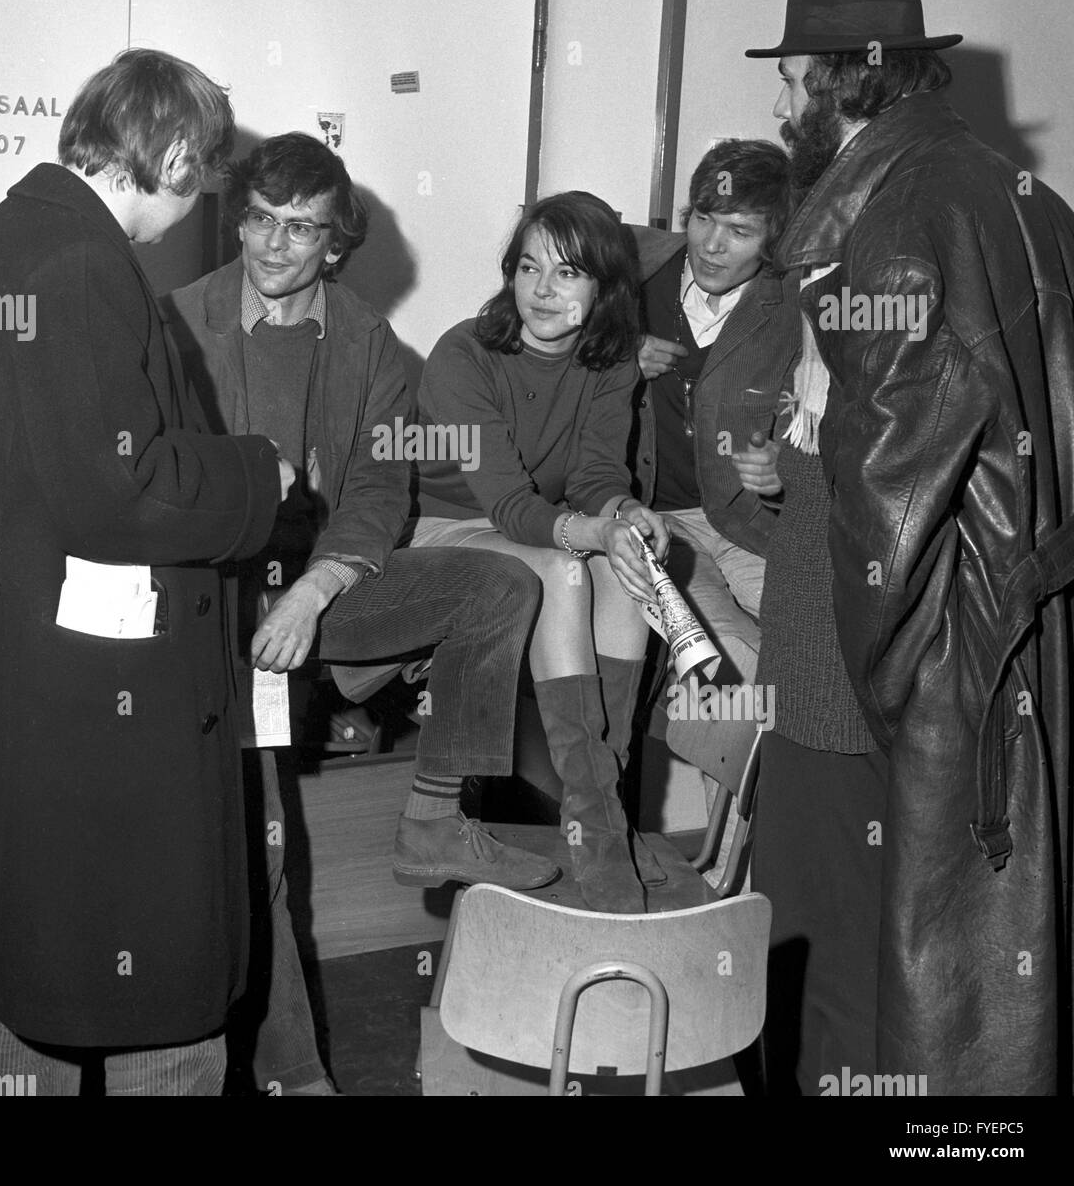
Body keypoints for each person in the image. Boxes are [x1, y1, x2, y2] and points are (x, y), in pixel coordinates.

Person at [0, 49, 292, 1094]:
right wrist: (259, 473)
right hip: (106, 690)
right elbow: (118, 487)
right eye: (206, 177)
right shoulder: (86, 264)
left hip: (21, 664)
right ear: (176, 154)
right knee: (163, 992)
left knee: (29, 968)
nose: (201, 205)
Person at [162, 132, 557, 1094]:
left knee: (502, 585)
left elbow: (382, 490)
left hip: (321, 591)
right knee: (261, 850)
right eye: (259, 219)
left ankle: (432, 818)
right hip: (209, 607)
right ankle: (294, 1073)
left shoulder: (369, 341)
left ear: (337, 244)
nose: (272, 245)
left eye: (300, 229)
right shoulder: (178, 320)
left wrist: (316, 586)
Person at [745, 0, 1074, 1095]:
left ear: (845, 82)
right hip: (999, 658)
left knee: (838, 961)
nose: (781, 104)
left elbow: (886, 505)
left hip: (885, 671)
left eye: (792, 78)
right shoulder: (1014, 192)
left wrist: (898, 700)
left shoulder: (893, 221)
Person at [408, 191, 673, 913]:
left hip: (534, 524)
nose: (543, 291)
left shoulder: (610, 361)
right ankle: (603, 832)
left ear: (604, 289)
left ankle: (598, 818)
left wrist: (623, 514)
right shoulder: (463, 354)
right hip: (444, 527)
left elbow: (594, 478)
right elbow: (509, 505)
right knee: (566, 568)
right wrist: (589, 532)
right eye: (529, 268)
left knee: (626, 573)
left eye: (567, 273)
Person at [634, 139, 798, 692]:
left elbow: (830, 428)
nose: (712, 245)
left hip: (745, 524)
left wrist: (785, 470)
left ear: (773, 242)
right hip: (647, 519)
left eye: (740, 231)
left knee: (810, 630)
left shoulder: (795, 310)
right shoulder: (634, 273)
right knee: (722, 663)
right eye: (703, 219)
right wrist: (613, 354)